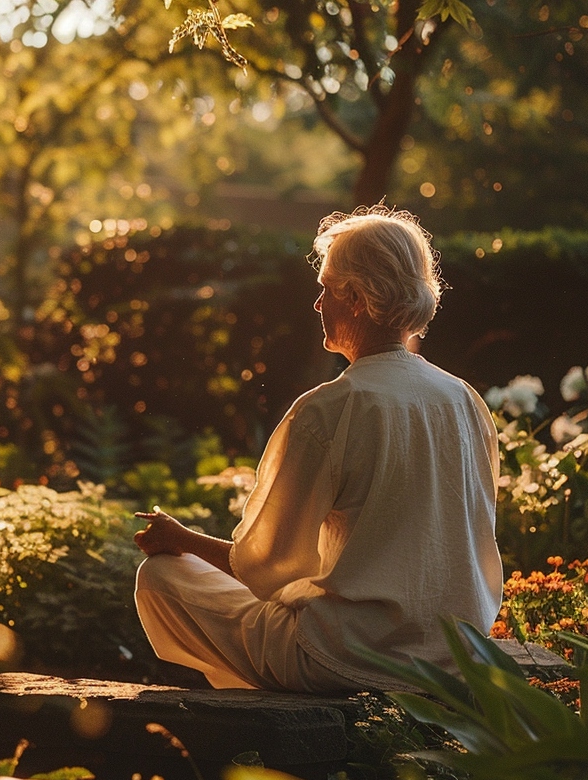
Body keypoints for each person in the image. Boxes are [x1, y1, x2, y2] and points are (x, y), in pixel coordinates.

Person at [133, 206, 503, 693]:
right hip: (453, 659)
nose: (317, 303)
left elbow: (268, 565)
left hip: (345, 660)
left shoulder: (331, 409)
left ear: (355, 298)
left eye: (326, 288)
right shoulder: (464, 401)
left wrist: (182, 540)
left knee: (160, 576)